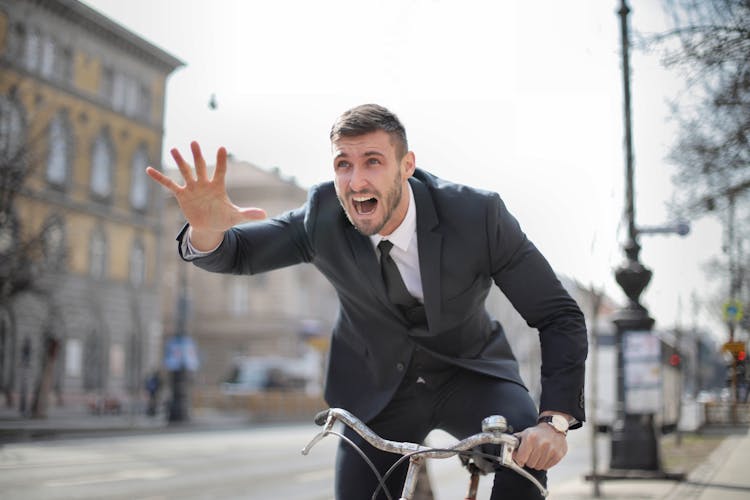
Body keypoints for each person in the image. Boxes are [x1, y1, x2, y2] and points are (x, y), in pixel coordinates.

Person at [146, 104, 588, 499]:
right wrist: (206, 230)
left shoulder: (478, 215)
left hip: (471, 373)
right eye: (344, 164)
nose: (356, 181)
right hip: (377, 391)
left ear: (406, 166)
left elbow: (558, 314)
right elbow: (239, 252)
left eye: (373, 162)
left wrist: (555, 422)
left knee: (524, 460)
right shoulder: (323, 214)